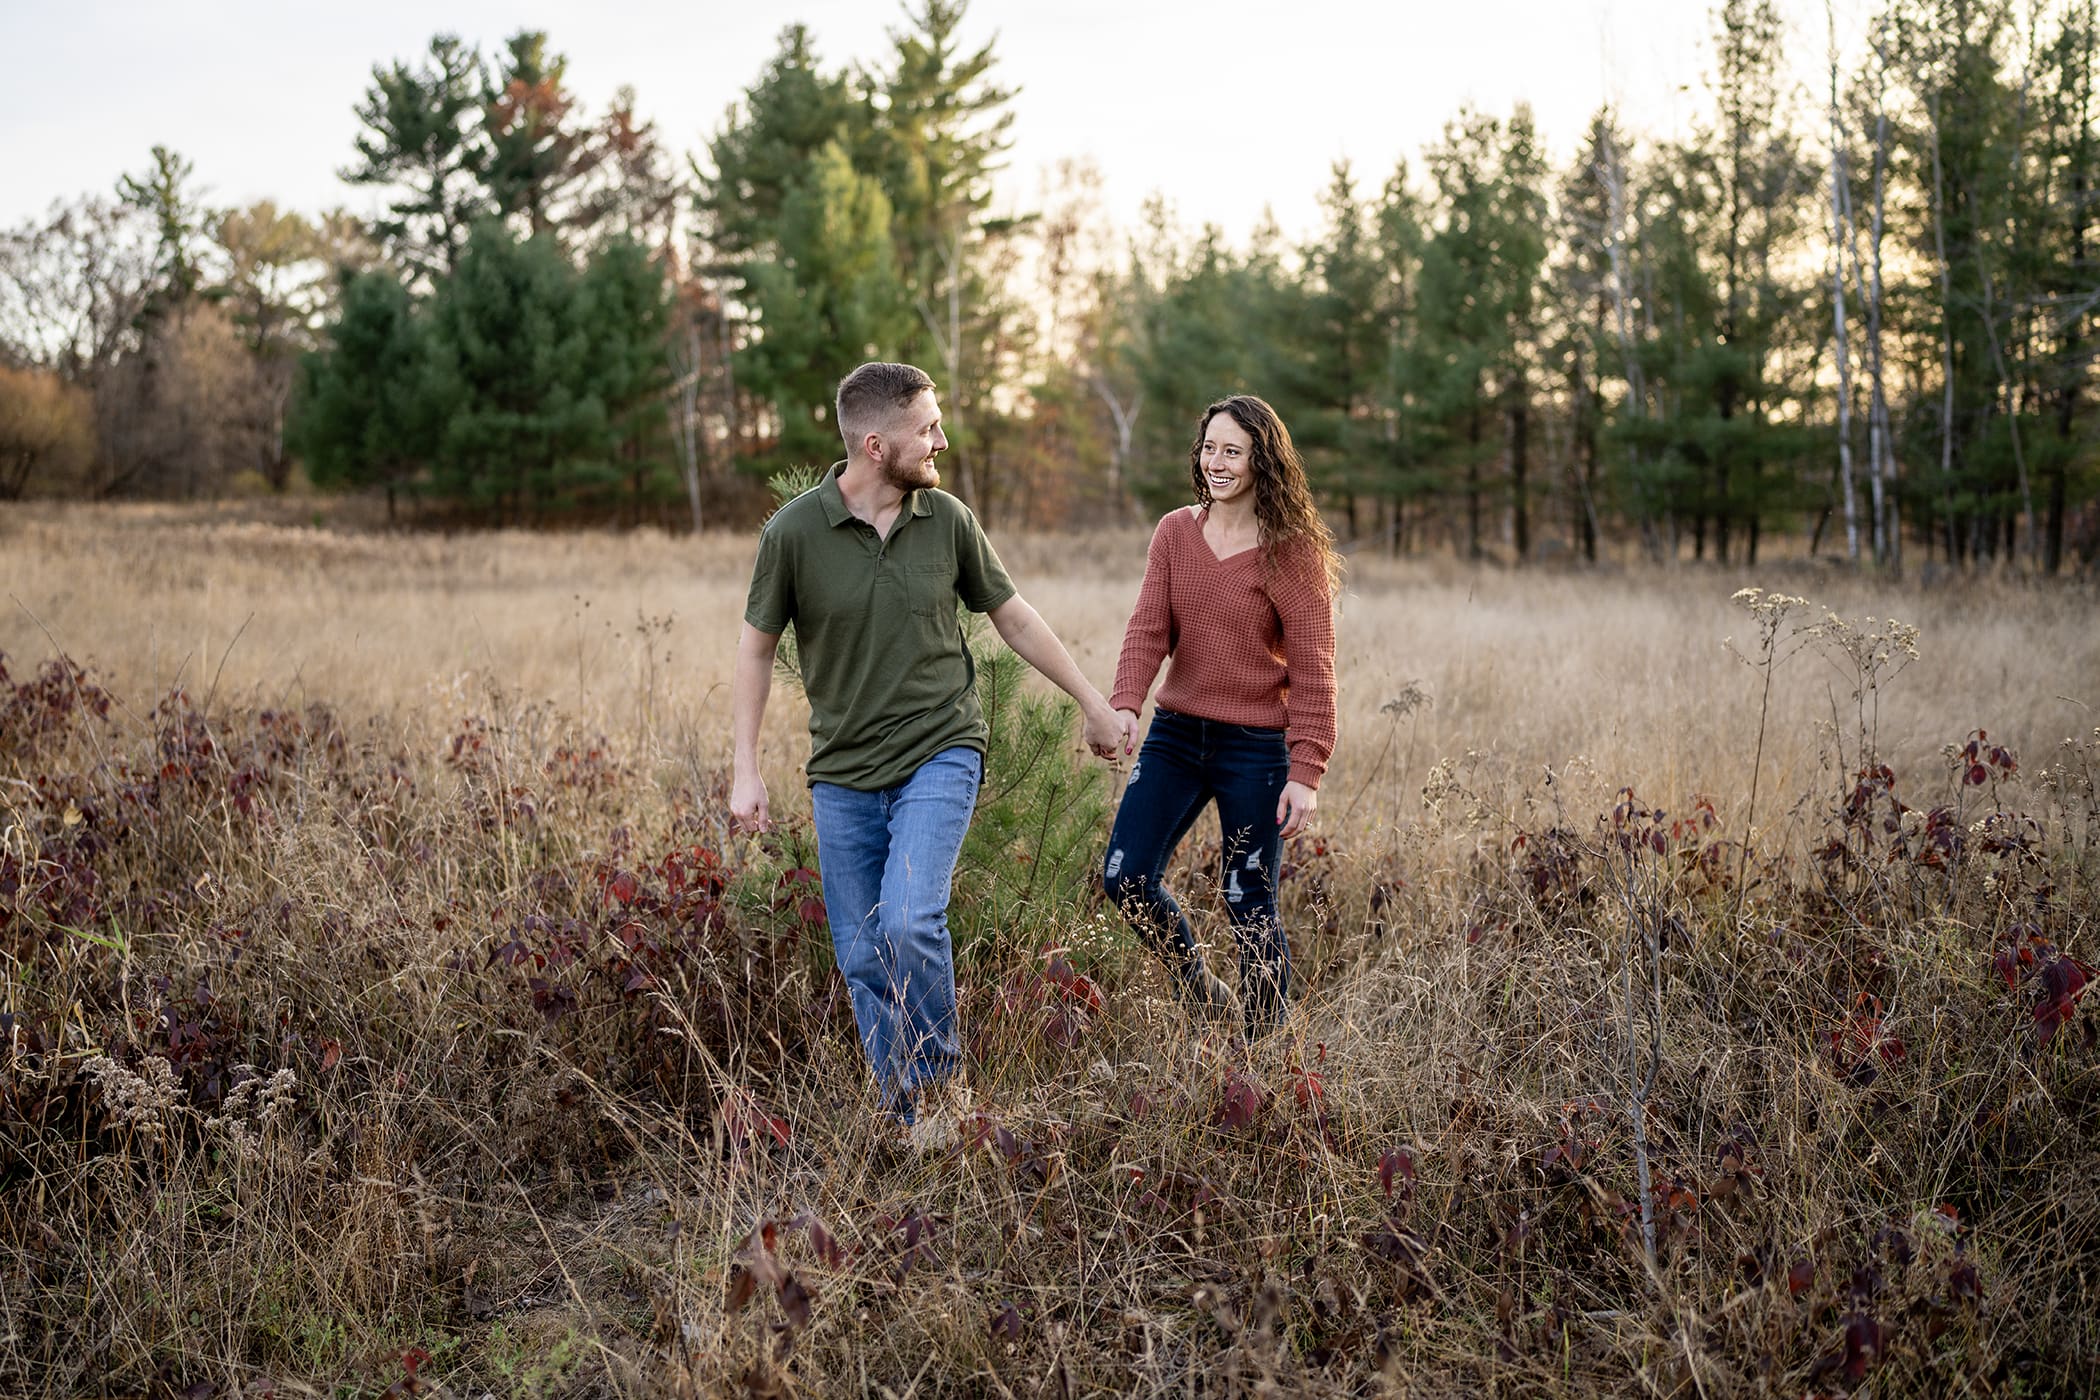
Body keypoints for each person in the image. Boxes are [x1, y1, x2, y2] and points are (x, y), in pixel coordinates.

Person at [730, 361, 1129, 1128]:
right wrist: (745, 769)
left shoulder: (946, 519)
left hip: (941, 748)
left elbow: (1012, 617)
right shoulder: (794, 535)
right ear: (876, 444)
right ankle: (911, 1118)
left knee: (910, 919)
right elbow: (754, 649)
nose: (942, 440)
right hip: (842, 772)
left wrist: (1092, 704)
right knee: (861, 955)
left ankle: (943, 1090)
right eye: (928, 429)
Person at [1103, 394, 1339, 1040]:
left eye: (1231, 451)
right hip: (1177, 737)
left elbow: (1314, 669)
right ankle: (1198, 988)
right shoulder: (1176, 532)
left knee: (1249, 903)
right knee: (1124, 877)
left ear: (1263, 459)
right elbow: (1148, 628)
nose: (1216, 462)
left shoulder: (1292, 553)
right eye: (1209, 448)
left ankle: (1265, 1053)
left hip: (1255, 751)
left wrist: (1306, 770)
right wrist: (1126, 703)